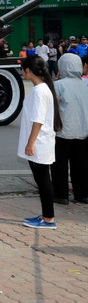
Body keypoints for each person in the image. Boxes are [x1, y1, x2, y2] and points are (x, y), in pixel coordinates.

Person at [18, 55, 62, 229]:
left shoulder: (39, 91)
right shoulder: (43, 89)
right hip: (41, 141)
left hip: (39, 142)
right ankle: (46, 215)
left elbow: (38, 120)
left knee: (43, 180)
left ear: (28, 71)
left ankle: (49, 218)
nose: (22, 72)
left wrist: (30, 143)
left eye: (22, 69)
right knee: (42, 179)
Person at [51, 53, 88, 205]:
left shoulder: (58, 85)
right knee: (81, 164)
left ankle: (61, 195)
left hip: (62, 131)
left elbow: (53, 108)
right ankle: (82, 194)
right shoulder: (84, 86)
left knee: (60, 164)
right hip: (82, 131)